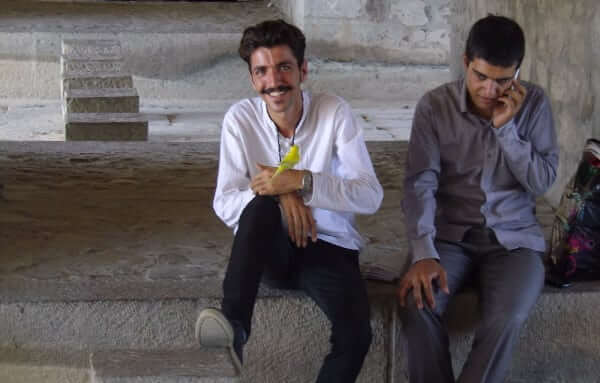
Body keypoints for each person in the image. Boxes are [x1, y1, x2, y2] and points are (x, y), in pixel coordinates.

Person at [196, 19, 383, 383]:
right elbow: (224, 201)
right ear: (252, 79)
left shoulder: (334, 112)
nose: (274, 81)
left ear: (303, 70)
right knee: (261, 206)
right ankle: (234, 325)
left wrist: (302, 182)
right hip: (270, 251)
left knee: (357, 336)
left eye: (284, 67)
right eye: (262, 71)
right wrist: (281, 194)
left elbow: (369, 194)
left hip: (327, 246)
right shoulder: (239, 119)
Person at [397, 14, 559, 383]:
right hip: (448, 236)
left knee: (509, 314)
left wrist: (508, 131)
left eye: (503, 80)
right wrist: (423, 252)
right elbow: (419, 182)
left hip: (515, 240)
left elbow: (541, 182)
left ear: (518, 72)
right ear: (466, 62)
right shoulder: (434, 107)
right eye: (481, 76)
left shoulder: (534, 105)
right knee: (416, 301)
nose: (490, 90)